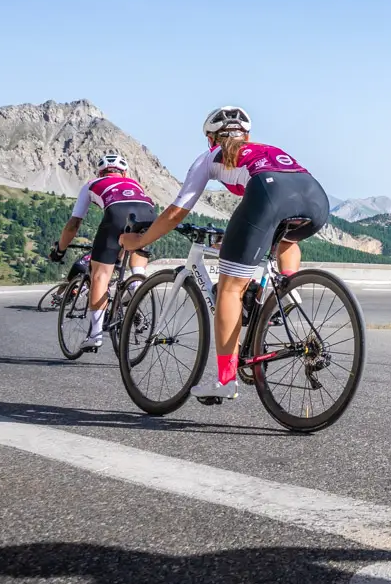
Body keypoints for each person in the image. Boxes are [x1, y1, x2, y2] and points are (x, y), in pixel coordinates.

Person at [121, 106, 330, 402]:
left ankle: (225, 380)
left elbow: (176, 212)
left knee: (229, 290)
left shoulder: (209, 158)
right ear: (247, 135)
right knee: (283, 241)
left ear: (210, 138)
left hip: (269, 194)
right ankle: (286, 290)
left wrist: (141, 239)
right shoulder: (267, 149)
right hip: (316, 198)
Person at [51, 153, 156, 351]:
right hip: (148, 214)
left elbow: (73, 224)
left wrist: (60, 249)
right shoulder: (134, 184)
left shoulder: (93, 184)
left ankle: (95, 335)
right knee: (137, 270)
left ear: (101, 172)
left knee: (100, 275)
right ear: (124, 173)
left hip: (116, 215)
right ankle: (135, 292)